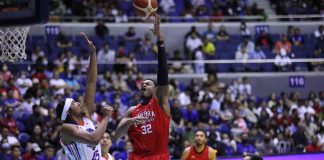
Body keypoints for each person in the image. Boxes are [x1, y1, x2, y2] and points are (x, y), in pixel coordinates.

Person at [113, 14, 171, 160]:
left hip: (158, 156)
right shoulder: (132, 110)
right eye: (142, 84)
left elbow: (163, 73)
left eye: (148, 83)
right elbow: (116, 136)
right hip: (137, 157)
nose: (144, 84)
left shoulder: (160, 102)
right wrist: (129, 122)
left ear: (156, 89)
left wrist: (160, 40)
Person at [56, 32, 113, 160]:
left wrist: (93, 54)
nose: (79, 103)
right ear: (69, 111)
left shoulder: (85, 117)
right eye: (75, 103)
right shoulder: (66, 129)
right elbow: (93, 140)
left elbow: (91, 83)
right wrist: (105, 118)